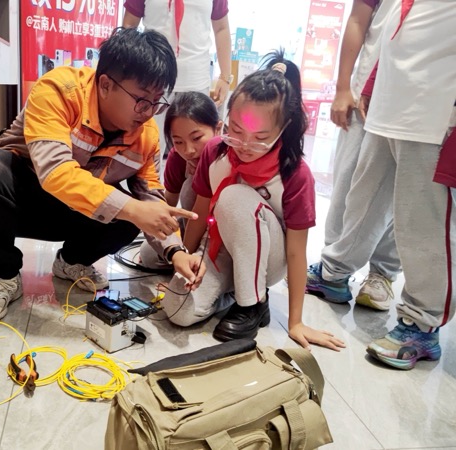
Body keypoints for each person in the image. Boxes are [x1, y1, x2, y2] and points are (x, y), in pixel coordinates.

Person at [0, 28, 198, 324]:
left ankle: (71, 262)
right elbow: (55, 172)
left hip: (75, 209)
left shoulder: (147, 137)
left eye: (157, 102)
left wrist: (176, 252)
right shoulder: (59, 91)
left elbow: (151, 199)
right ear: (105, 84)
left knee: (134, 215)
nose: (148, 112)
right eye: (142, 99)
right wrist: (132, 208)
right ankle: (3, 276)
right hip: (20, 194)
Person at [160, 51, 346, 351]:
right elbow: (200, 212)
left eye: (260, 137)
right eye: (236, 130)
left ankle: (253, 302)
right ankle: (234, 289)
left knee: (233, 197)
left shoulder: (295, 175)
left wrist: (296, 322)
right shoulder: (215, 152)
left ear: (284, 128)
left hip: (270, 258)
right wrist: (184, 259)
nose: (245, 145)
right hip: (221, 248)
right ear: (226, 119)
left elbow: (296, 252)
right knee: (178, 309)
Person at [311, 0, 455, 369]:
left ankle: (421, 324)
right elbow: (397, 27)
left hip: (435, 113)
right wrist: (372, 84)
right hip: (388, 103)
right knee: (362, 200)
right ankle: (334, 274)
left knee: (423, 226)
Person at [306, 0, 401, 311]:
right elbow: (359, 19)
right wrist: (343, 87)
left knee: (400, 192)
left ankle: (382, 274)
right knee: (348, 180)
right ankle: (332, 269)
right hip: (365, 93)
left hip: (418, 98)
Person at [122, 0, 232, 157]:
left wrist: (225, 76)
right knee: (147, 147)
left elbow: (221, 28)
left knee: (197, 148)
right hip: (153, 78)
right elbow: (129, 25)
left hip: (196, 78)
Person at [139, 91, 222, 269]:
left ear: (218, 129)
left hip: (223, 236)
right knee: (148, 254)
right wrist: (176, 250)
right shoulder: (177, 159)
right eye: (178, 142)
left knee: (190, 187)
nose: (188, 150)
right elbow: (168, 204)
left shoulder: (226, 157)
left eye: (197, 138)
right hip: (192, 228)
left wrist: (184, 256)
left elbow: (201, 213)